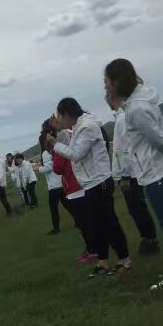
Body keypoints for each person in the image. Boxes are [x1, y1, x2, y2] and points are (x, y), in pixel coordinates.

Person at [50, 98, 131, 276]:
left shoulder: (87, 127)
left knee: (109, 224)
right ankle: (103, 264)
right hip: (92, 184)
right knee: (97, 225)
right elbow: (72, 147)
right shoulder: (78, 127)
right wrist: (59, 134)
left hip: (99, 182)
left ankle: (124, 260)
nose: (59, 120)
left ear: (66, 114)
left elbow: (76, 154)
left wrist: (55, 145)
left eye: (59, 116)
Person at [104, 58, 163, 233]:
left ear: (117, 82)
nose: (105, 87)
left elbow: (159, 141)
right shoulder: (136, 104)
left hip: (156, 175)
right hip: (154, 173)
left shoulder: (136, 108)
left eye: (106, 82)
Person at [107, 92, 159, 254]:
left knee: (137, 208)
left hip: (130, 173)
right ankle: (148, 237)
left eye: (108, 96)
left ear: (114, 98)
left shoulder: (122, 119)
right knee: (135, 208)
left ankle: (149, 239)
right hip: (130, 172)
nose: (107, 101)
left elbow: (124, 151)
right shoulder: (121, 118)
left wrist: (124, 176)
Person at [49, 117, 97, 264]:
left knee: (83, 222)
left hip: (73, 184)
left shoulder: (61, 139)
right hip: (81, 182)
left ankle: (93, 250)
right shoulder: (71, 134)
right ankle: (94, 248)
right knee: (88, 219)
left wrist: (53, 148)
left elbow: (58, 167)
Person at [38, 126, 68, 235]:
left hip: (54, 186)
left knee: (53, 208)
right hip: (61, 182)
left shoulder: (46, 153)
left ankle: (56, 228)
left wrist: (39, 168)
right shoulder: (56, 149)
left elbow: (48, 167)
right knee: (67, 204)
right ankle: (79, 220)